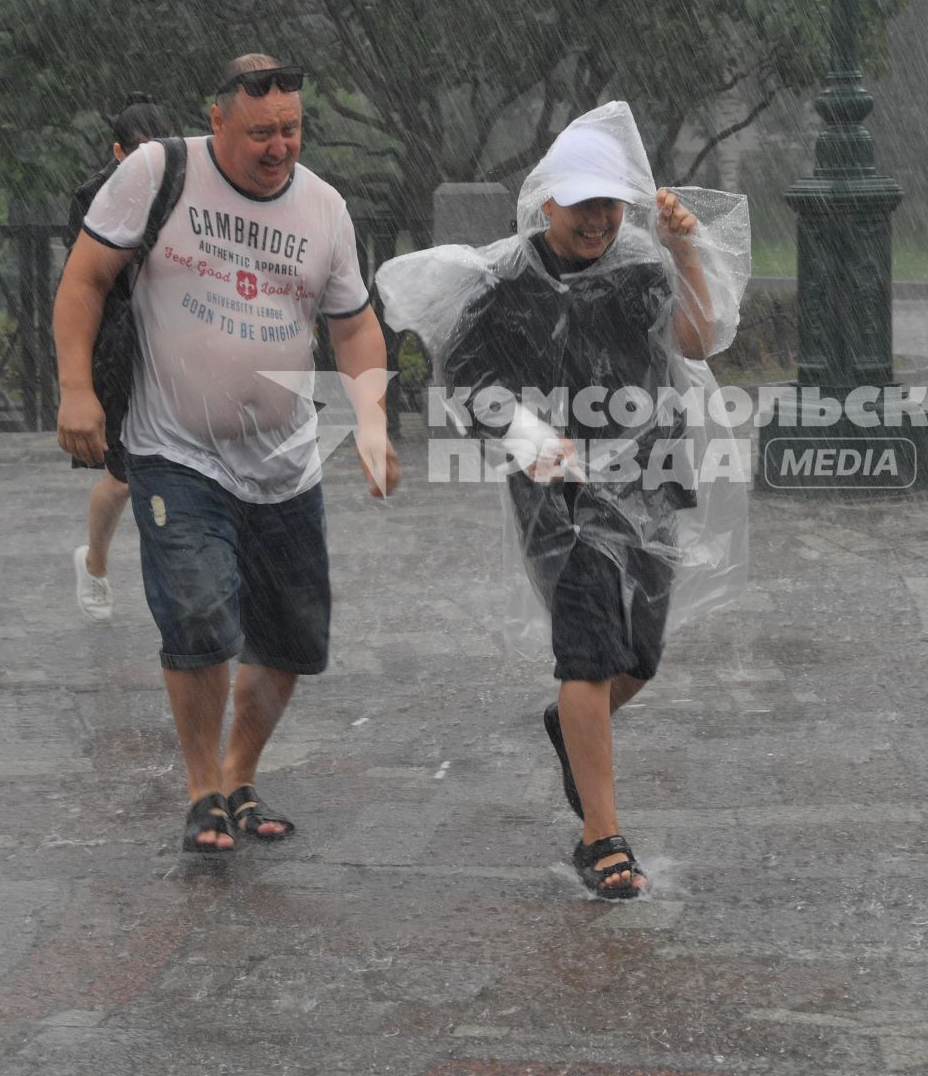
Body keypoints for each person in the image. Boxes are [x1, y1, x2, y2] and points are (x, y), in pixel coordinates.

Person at [379, 102, 749, 898]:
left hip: (650, 478)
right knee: (587, 652)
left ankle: (572, 725)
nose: (598, 219)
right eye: (583, 203)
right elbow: (466, 381)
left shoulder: (642, 268)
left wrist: (685, 247)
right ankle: (603, 836)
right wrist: (528, 437)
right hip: (559, 493)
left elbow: (696, 337)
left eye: (612, 203)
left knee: (638, 658)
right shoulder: (506, 284)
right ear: (547, 201)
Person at [54, 52, 400, 855]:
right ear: (217, 122)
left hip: (286, 460)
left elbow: (353, 323)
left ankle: (241, 772)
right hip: (177, 449)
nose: (279, 147)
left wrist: (373, 421)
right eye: (260, 133)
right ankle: (202, 788)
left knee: (289, 642)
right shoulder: (156, 172)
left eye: (291, 129)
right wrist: (76, 388)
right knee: (201, 617)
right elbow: (83, 281)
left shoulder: (325, 209)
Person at [66, 93, 175, 623]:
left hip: (176, 343)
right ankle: (96, 563)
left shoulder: (184, 186)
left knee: (189, 468)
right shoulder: (93, 197)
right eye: (138, 155)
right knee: (125, 474)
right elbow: (85, 287)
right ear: (116, 152)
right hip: (120, 349)